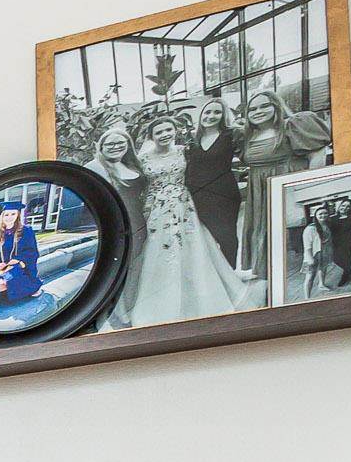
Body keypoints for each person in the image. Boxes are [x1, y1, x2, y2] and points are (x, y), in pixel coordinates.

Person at [111, 102, 259, 328]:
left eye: (168, 130)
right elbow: (137, 183)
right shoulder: (144, 159)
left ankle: (200, 297)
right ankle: (157, 304)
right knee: (157, 251)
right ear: (151, 136)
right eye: (159, 132)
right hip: (157, 208)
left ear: (175, 132)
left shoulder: (184, 151)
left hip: (184, 206)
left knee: (193, 249)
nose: (164, 135)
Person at [239, 88, 335, 234]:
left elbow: (316, 156)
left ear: (277, 106)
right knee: (263, 233)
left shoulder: (292, 125)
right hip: (259, 192)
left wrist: (308, 188)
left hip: (287, 188)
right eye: (252, 109)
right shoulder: (247, 135)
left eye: (264, 106)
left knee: (290, 234)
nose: (258, 111)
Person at [183, 95, 250, 269]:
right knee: (204, 237)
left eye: (217, 112)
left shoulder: (231, 134)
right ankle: (212, 276)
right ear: (201, 114)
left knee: (226, 236)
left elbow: (247, 155)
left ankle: (230, 272)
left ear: (223, 115)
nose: (211, 116)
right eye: (208, 112)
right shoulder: (192, 139)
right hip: (197, 195)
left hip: (224, 194)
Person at [0, 198, 45, 318]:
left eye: (13, 214)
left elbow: (32, 252)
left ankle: (31, 287)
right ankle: (28, 290)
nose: (9, 217)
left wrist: (19, 259)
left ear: (18, 215)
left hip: (19, 266)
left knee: (10, 281)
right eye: (6, 214)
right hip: (1, 269)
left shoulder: (26, 231)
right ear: (2, 216)